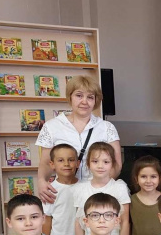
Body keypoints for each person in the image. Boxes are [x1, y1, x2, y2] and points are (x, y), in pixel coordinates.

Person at [36, 75, 122, 203]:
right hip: (65, 193)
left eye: (90, 97)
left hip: (97, 195)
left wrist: (99, 188)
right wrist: (41, 181)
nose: (84, 101)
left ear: (96, 100)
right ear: (70, 97)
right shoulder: (52, 126)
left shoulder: (106, 127)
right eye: (79, 95)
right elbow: (46, 162)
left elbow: (116, 164)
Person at [73, 142, 131, 235]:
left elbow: (125, 222)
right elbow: (79, 222)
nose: (100, 166)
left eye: (106, 162)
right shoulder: (81, 189)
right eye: (95, 161)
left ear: (112, 164)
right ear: (88, 163)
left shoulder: (119, 188)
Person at [42, 143, 80, 235]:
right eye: (60, 160)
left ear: (78, 163)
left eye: (71, 160)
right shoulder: (49, 190)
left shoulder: (85, 187)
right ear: (52, 164)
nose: (66, 164)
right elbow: (47, 218)